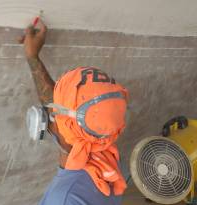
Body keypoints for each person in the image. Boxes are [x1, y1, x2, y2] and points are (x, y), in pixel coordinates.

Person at [20, 19, 128, 205]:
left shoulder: (64, 199)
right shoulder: (109, 159)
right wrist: (33, 57)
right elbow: (64, 112)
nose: (48, 113)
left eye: (53, 114)